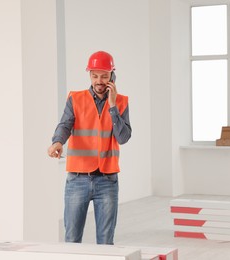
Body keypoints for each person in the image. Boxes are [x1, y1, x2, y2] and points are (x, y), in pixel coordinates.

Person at [47, 51, 132, 245]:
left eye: (104, 76)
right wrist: (57, 142)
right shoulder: (75, 99)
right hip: (78, 179)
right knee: (72, 239)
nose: (99, 80)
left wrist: (112, 107)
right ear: (89, 75)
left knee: (105, 242)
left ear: (112, 75)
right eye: (95, 76)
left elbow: (123, 137)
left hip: (107, 180)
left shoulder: (121, 102)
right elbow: (65, 125)